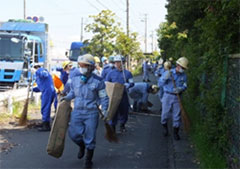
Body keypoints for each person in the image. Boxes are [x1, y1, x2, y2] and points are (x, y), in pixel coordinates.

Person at [61, 54, 109, 168]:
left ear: (91, 67)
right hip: (77, 111)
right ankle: (81, 145)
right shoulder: (75, 78)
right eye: (80, 65)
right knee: (73, 134)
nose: (82, 67)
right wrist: (67, 97)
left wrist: (105, 109)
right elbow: (73, 92)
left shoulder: (98, 81)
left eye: (85, 65)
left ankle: (88, 160)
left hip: (91, 112)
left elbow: (103, 97)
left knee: (90, 137)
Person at [159, 57, 188, 140]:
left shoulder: (184, 76)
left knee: (177, 116)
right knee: (164, 114)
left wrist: (180, 89)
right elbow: (160, 84)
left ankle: (176, 132)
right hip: (167, 95)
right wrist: (165, 78)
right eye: (181, 67)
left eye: (183, 68)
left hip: (177, 97)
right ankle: (165, 129)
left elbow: (185, 85)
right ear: (177, 65)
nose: (182, 69)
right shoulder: (169, 73)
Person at [105, 55, 134, 133]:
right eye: (117, 62)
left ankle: (122, 124)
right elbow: (106, 83)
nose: (118, 64)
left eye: (120, 62)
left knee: (124, 111)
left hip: (123, 95)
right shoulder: (111, 73)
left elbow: (132, 83)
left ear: (124, 63)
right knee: (113, 111)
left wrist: (129, 85)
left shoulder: (127, 73)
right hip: (114, 96)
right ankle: (113, 126)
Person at [31, 63, 56, 132]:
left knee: (45, 107)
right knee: (44, 108)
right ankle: (44, 122)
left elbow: (45, 74)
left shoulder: (41, 71)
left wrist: (37, 71)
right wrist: (33, 89)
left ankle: (46, 125)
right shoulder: (38, 77)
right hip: (45, 91)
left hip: (48, 91)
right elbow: (41, 86)